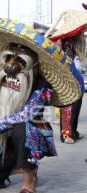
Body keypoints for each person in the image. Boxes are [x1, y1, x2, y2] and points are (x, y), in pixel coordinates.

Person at [0, 18, 82, 193]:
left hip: (29, 133)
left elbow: (25, 114)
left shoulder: (42, 86)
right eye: (9, 58)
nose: (12, 66)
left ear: (32, 64)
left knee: (23, 126)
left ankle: (29, 184)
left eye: (19, 60)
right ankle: (19, 166)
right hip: (5, 138)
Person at [45, 9, 86, 144]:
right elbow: (66, 61)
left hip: (68, 72)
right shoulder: (66, 41)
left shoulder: (71, 40)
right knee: (69, 101)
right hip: (64, 74)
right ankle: (66, 134)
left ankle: (72, 132)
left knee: (75, 100)